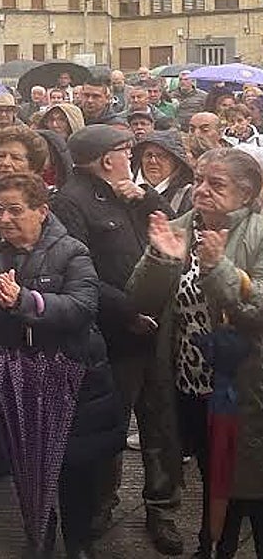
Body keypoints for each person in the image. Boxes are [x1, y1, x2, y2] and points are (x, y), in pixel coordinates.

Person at [0, 174, 125, 559]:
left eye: (15, 210)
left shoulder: (72, 251)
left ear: (42, 211)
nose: (4, 218)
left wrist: (27, 301)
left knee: (74, 466)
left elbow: (83, 307)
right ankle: (39, 533)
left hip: (71, 377)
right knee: (26, 460)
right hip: (15, 378)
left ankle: (79, 540)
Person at [52, 124, 184, 554]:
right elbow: (80, 270)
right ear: (108, 158)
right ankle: (101, 505)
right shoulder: (71, 200)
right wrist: (128, 312)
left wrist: (144, 197)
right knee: (111, 426)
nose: (132, 158)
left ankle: (161, 509)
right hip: (116, 333)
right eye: (127, 151)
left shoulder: (130, 192)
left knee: (160, 423)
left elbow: (172, 229)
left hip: (157, 329)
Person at [129, 148, 263, 559]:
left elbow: (257, 311)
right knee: (212, 473)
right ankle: (212, 545)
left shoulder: (259, 234)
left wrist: (218, 267)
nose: (201, 191)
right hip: (190, 385)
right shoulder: (181, 227)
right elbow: (140, 297)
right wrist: (162, 259)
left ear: (247, 194)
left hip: (247, 390)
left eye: (216, 185)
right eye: (200, 181)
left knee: (250, 483)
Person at [133, 131, 195, 215]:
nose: (153, 161)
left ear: (176, 162)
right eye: (148, 155)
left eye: (161, 156)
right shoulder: (126, 188)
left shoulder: (187, 195)